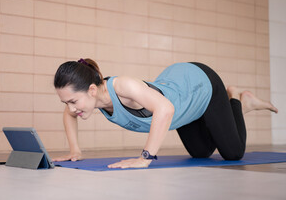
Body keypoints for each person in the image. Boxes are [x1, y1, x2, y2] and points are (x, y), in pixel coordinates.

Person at [52, 58, 278, 169]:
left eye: (73, 101)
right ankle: (223, 114)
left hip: (200, 84)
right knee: (201, 153)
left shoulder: (124, 87)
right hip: (183, 101)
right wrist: (75, 151)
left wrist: (145, 158)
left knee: (234, 153)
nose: (71, 108)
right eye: (66, 102)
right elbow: (68, 114)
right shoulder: (93, 98)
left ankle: (237, 100)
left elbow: (165, 108)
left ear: (91, 90)